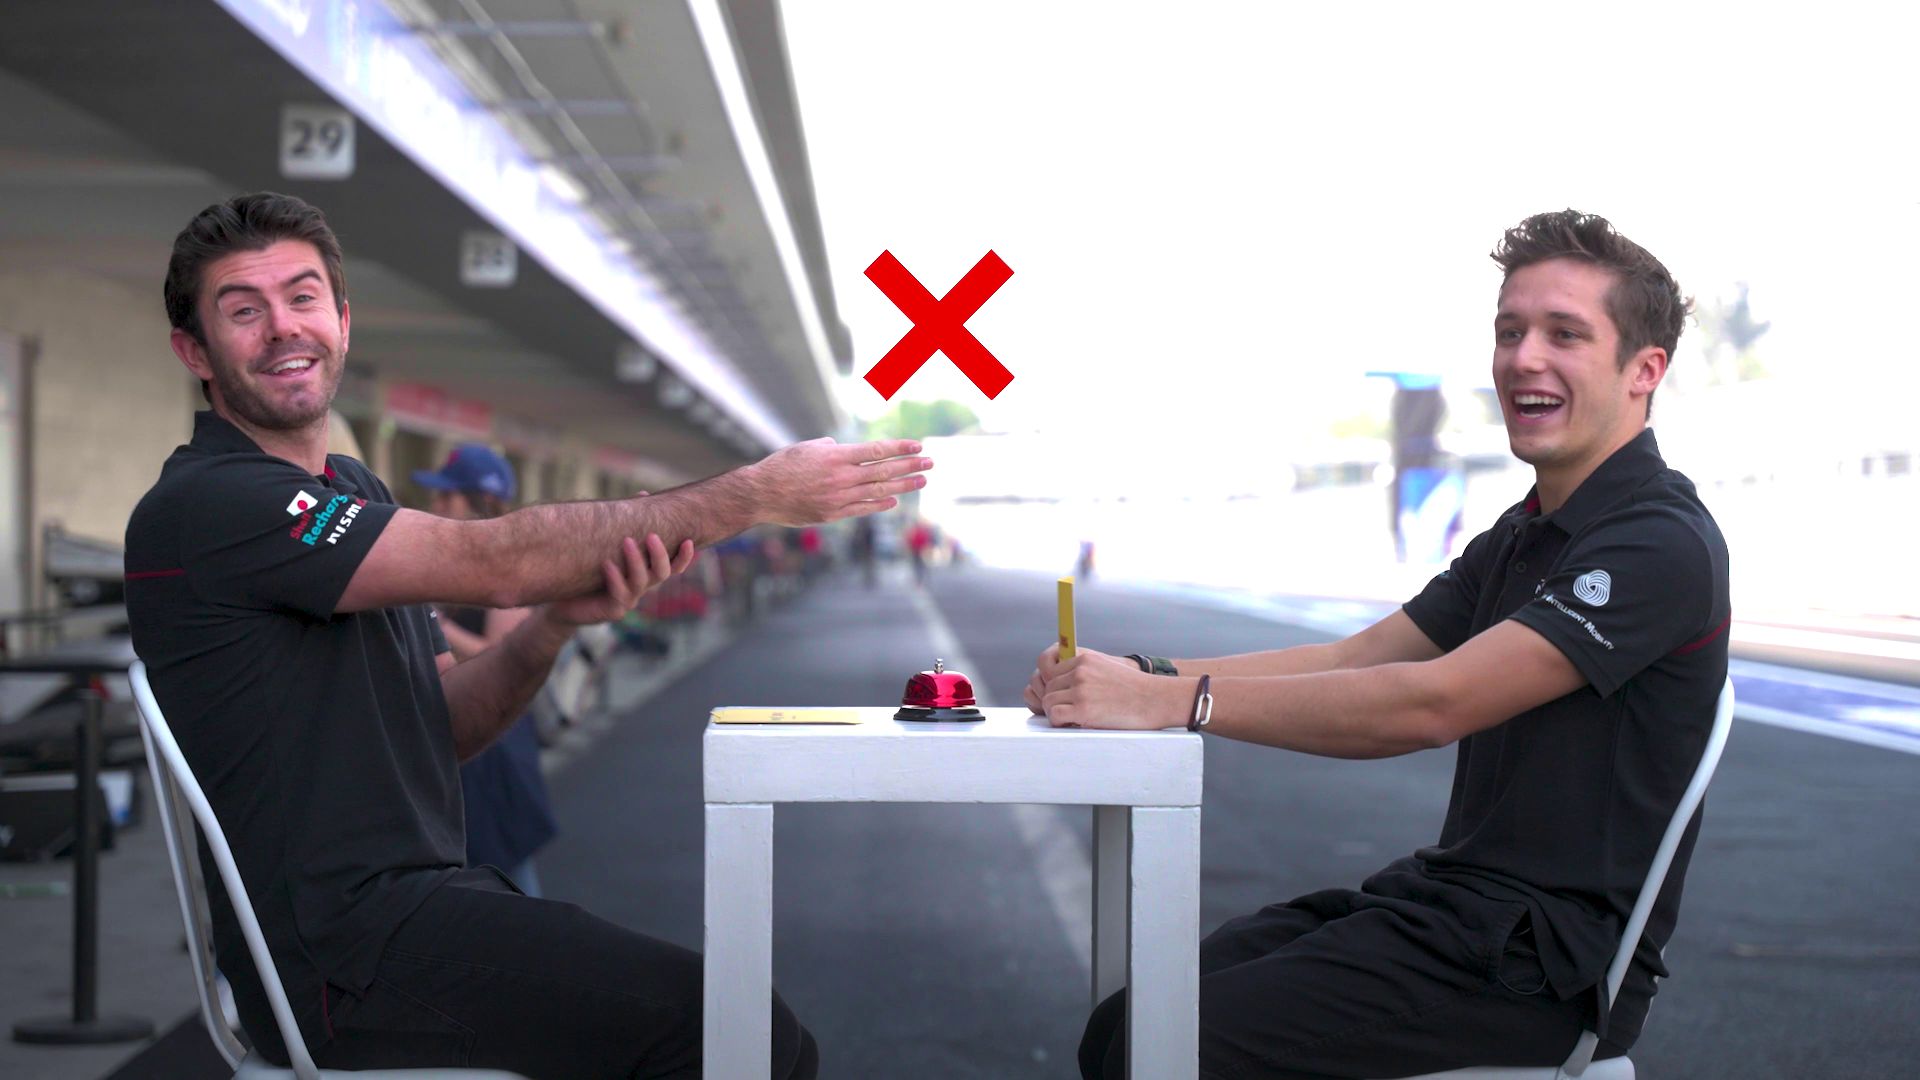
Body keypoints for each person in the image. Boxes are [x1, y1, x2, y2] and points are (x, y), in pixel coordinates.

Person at [126, 192, 932, 1078]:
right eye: (244, 310)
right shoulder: (207, 503)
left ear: (343, 322)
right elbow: (497, 559)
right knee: (737, 1034)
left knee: (728, 1023)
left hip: (417, 917)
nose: (284, 326)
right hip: (342, 962)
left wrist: (548, 629)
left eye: (303, 296)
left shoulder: (352, 488)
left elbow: (444, 725)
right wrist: (753, 496)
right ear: (194, 352)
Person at [1027, 209, 1728, 1079]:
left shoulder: (1658, 540)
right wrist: (1142, 674)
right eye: (1509, 331)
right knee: (1122, 1027)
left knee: (1156, 1050)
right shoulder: (1523, 531)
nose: (1523, 358)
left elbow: (1432, 703)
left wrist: (1175, 703)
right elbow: (1359, 658)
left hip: (1542, 967)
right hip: (1448, 908)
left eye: (1565, 334)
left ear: (1644, 371)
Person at [413, 443, 560, 898]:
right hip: (456, 737)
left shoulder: (509, 566)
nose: (437, 505)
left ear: (482, 501)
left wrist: (431, 623)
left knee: (507, 873)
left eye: (448, 496)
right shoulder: (451, 562)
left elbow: (502, 656)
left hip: (495, 744)